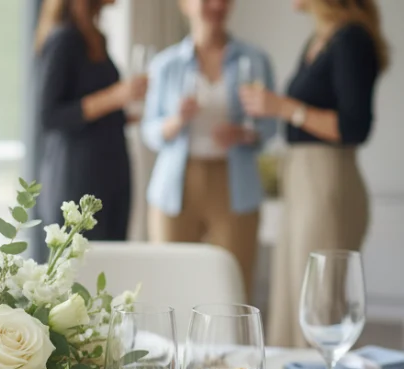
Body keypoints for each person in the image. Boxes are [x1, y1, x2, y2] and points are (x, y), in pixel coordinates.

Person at [240, 0, 388, 347]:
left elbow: (354, 126)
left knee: (319, 307)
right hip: (302, 178)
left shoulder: (351, 39)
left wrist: (284, 108)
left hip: (327, 182)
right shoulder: (321, 39)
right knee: (292, 299)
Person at [142, 0, 277, 293]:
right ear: (185, 5)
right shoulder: (166, 64)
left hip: (235, 184)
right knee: (171, 284)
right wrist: (177, 121)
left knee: (234, 283)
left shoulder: (256, 60)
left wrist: (243, 134)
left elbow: (270, 127)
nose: (217, 5)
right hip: (175, 186)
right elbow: (149, 130)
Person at [34, 0, 146, 242]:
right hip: (79, 179)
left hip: (109, 173)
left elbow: (95, 111)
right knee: (83, 258)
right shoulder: (64, 39)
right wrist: (115, 97)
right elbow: (49, 115)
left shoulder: (95, 37)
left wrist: (123, 114)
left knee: (112, 257)